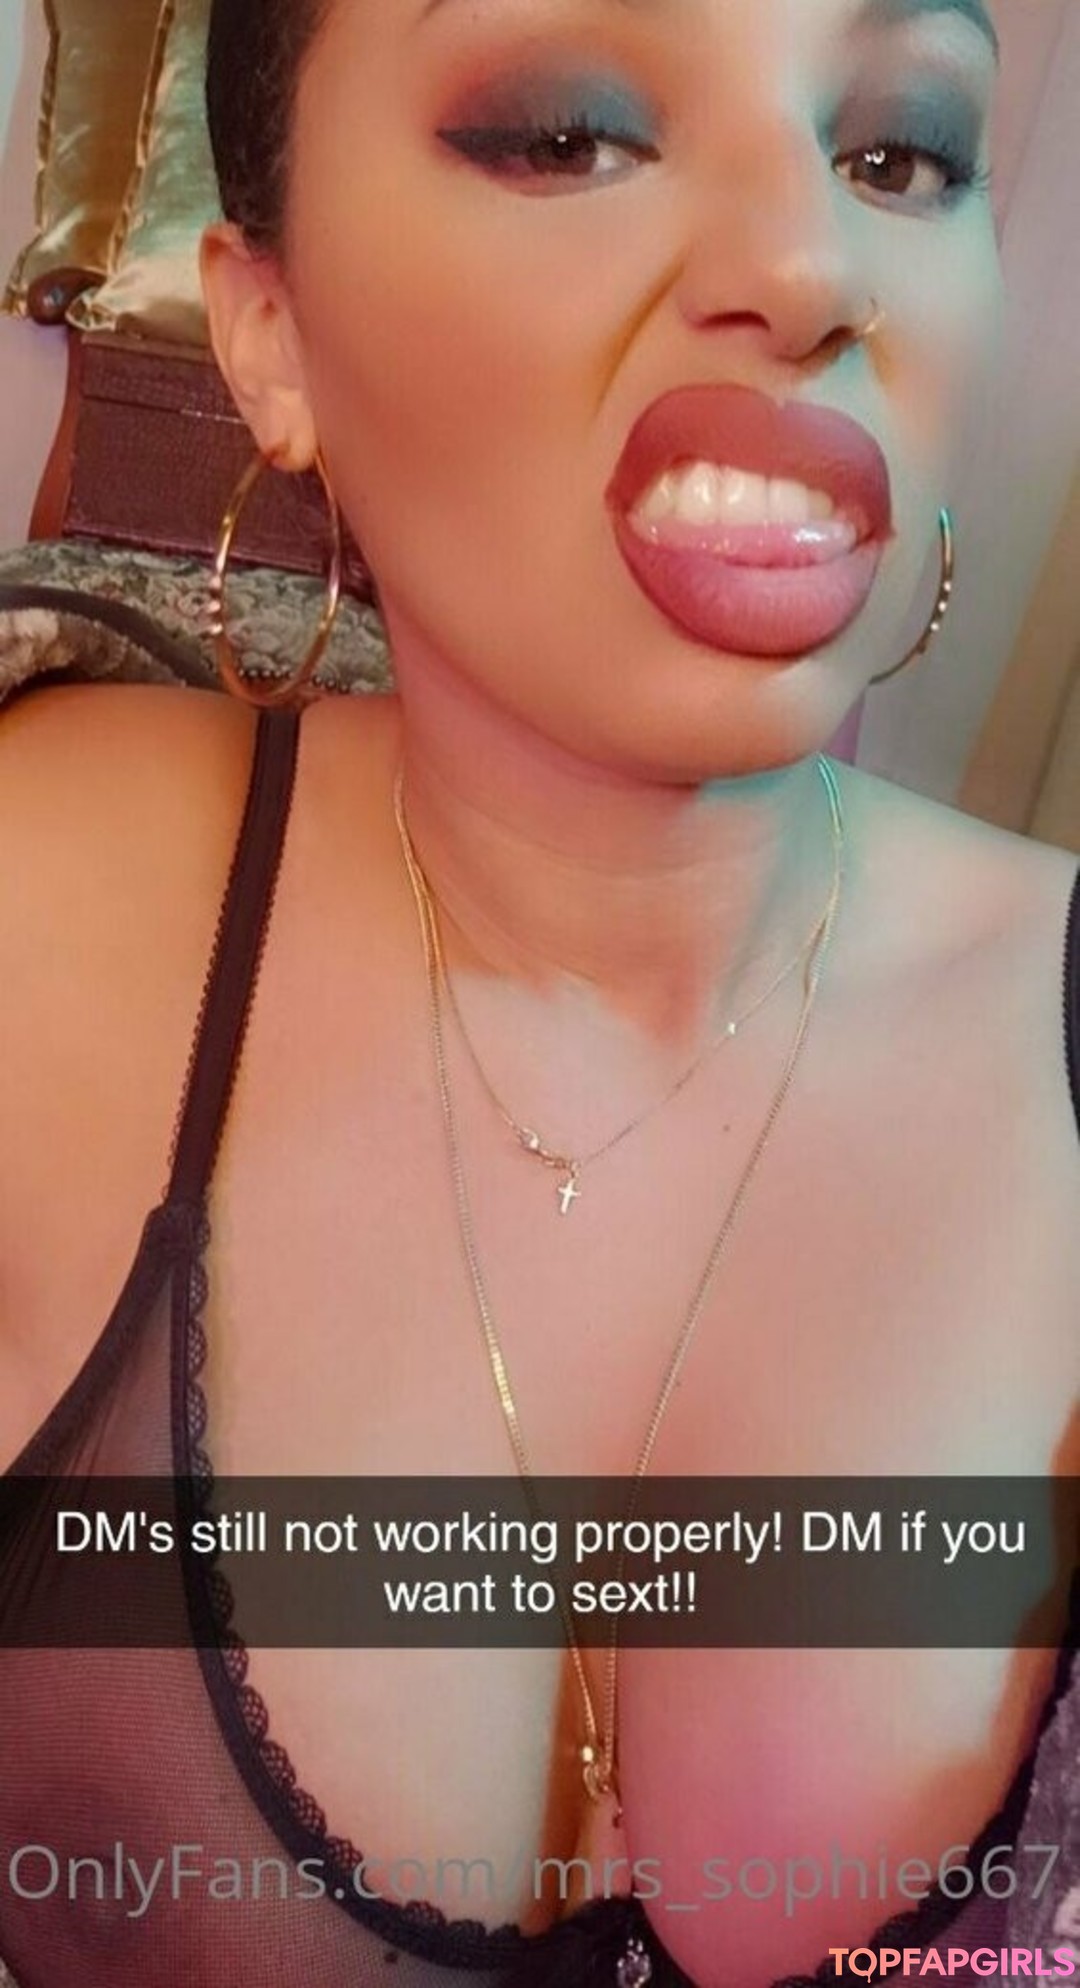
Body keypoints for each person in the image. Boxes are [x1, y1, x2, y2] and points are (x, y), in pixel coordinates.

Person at [0, 0, 1077, 1983]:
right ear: (268, 335)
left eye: (896, 154)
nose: (809, 267)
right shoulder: (33, 917)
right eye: (571, 132)